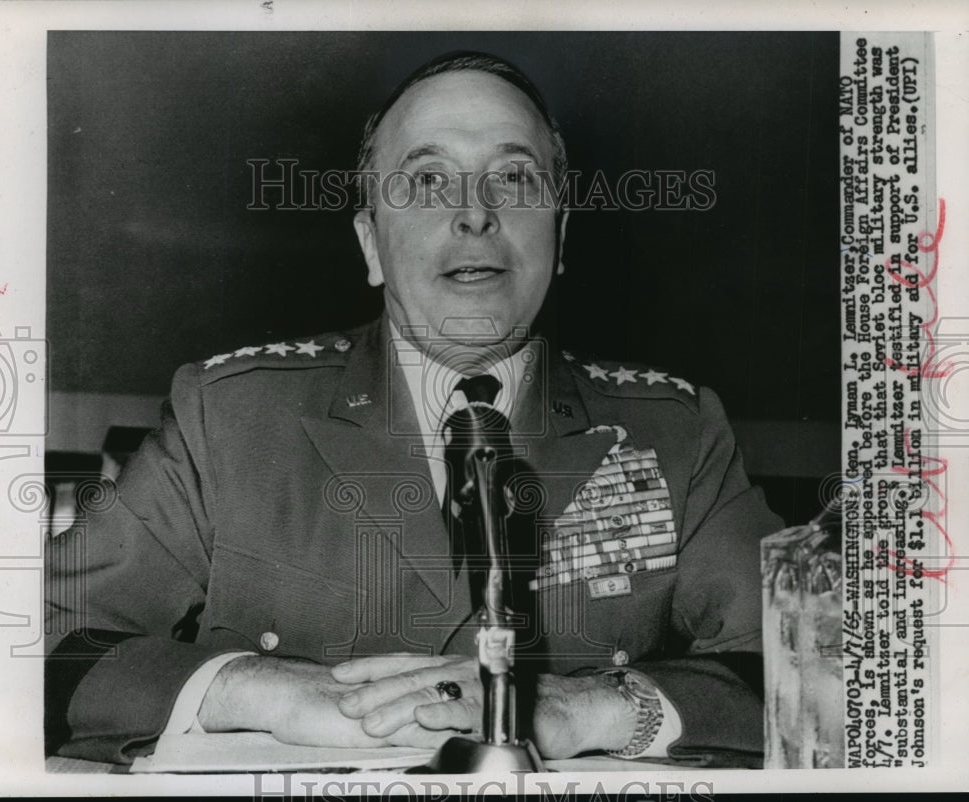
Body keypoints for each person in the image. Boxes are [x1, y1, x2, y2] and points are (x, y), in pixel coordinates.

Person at [45, 51, 783, 768]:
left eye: (514, 177)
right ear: (370, 243)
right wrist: (251, 689)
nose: (474, 215)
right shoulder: (228, 418)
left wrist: (588, 707)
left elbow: (823, 661)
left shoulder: (674, 432)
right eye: (428, 180)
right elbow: (36, 640)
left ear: (560, 237)